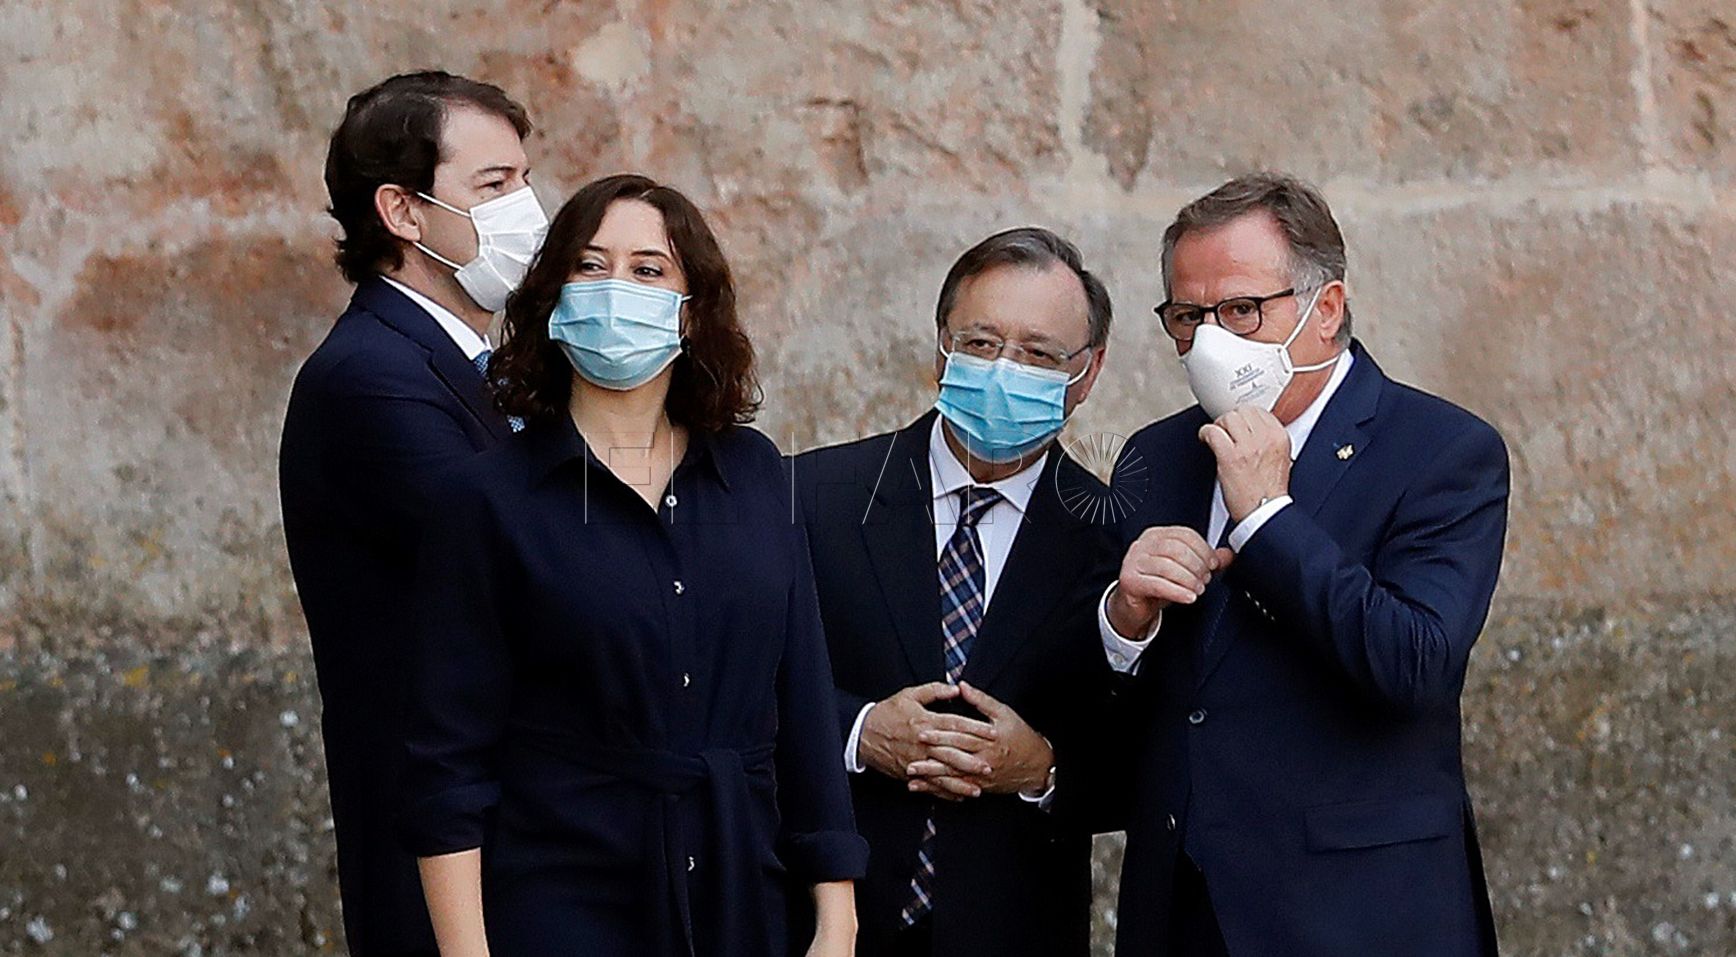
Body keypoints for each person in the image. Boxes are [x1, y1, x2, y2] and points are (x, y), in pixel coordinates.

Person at [398, 174, 866, 957]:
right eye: (590, 265)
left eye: (649, 269)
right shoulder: (487, 501)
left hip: (741, 896)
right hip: (562, 901)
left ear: (691, 309)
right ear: (553, 298)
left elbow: (805, 701)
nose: (616, 287)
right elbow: (447, 761)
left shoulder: (754, 473)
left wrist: (837, 917)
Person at [1098, 173, 1509, 956]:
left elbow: (1413, 662)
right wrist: (1124, 621)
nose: (1210, 341)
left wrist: (1267, 518)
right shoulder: (1157, 455)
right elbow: (1138, 714)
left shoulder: (1442, 450)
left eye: (1242, 310)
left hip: (1357, 913)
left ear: (1326, 309)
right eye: (1188, 316)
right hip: (1184, 910)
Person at [791, 227, 1123, 957]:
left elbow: (1145, 748)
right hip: (827, 925)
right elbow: (742, 681)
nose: (1004, 370)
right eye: (980, 343)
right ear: (941, 347)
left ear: (1087, 372)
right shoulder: (813, 497)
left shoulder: (1113, 538)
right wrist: (858, 731)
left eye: (1038, 354)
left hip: (1016, 931)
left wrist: (1043, 767)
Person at [279, 70, 543, 957]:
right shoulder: (371, 377)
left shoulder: (477, 363)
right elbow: (525, 562)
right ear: (403, 211)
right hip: (452, 856)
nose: (527, 209)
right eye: (494, 184)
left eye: (524, 179)